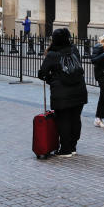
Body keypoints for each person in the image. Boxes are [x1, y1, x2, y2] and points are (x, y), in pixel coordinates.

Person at [38, 28, 88, 157]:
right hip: (79, 90)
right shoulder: (74, 50)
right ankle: (72, 147)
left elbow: (42, 73)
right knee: (75, 119)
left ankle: (65, 149)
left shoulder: (52, 54)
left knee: (63, 120)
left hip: (61, 93)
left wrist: (51, 80)